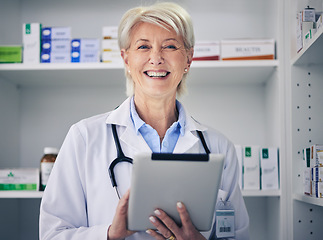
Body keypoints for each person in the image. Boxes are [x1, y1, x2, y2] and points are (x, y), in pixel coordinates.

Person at [39, 2, 250, 240]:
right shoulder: (84, 137)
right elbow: (52, 234)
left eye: (170, 46)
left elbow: (236, 235)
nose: (156, 58)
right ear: (126, 59)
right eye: (143, 46)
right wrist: (109, 234)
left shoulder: (219, 147)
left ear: (188, 59)